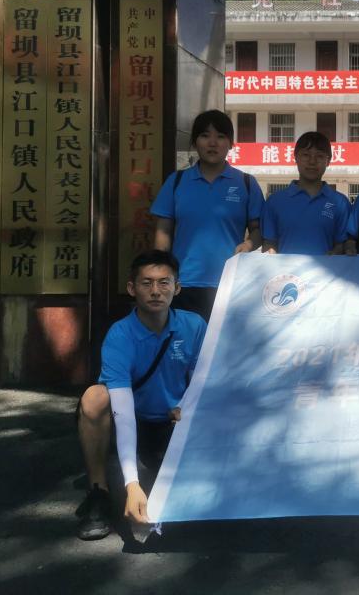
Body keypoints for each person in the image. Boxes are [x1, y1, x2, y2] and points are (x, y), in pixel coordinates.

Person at [75, 250, 207, 541]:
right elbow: (122, 410)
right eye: (146, 283)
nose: (156, 291)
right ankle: (98, 492)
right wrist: (131, 484)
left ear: (177, 288)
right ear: (131, 288)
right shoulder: (120, 335)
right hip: (134, 418)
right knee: (94, 397)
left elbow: (202, 380)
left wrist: (187, 407)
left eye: (164, 282)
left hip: (175, 420)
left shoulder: (194, 325)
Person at [151, 110, 263, 321]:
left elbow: (258, 230)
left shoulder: (246, 183)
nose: (212, 143)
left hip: (231, 285)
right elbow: (163, 231)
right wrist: (161, 275)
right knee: (184, 341)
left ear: (231, 143)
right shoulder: (177, 181)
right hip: (181, 285)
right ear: (194, 142)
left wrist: (248, 245)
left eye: (220, 136)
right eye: (204, 136)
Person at [262, 132, 350, 255]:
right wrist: (270, 252)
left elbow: (341, 244)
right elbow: (269, 243)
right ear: (296, 158)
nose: (312, 161)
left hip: (324, 268)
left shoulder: (340, 203)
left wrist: (336, 253)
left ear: (328, 161)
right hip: (286, 268)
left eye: (319, 156)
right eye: (306, 155)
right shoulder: (275, 201)